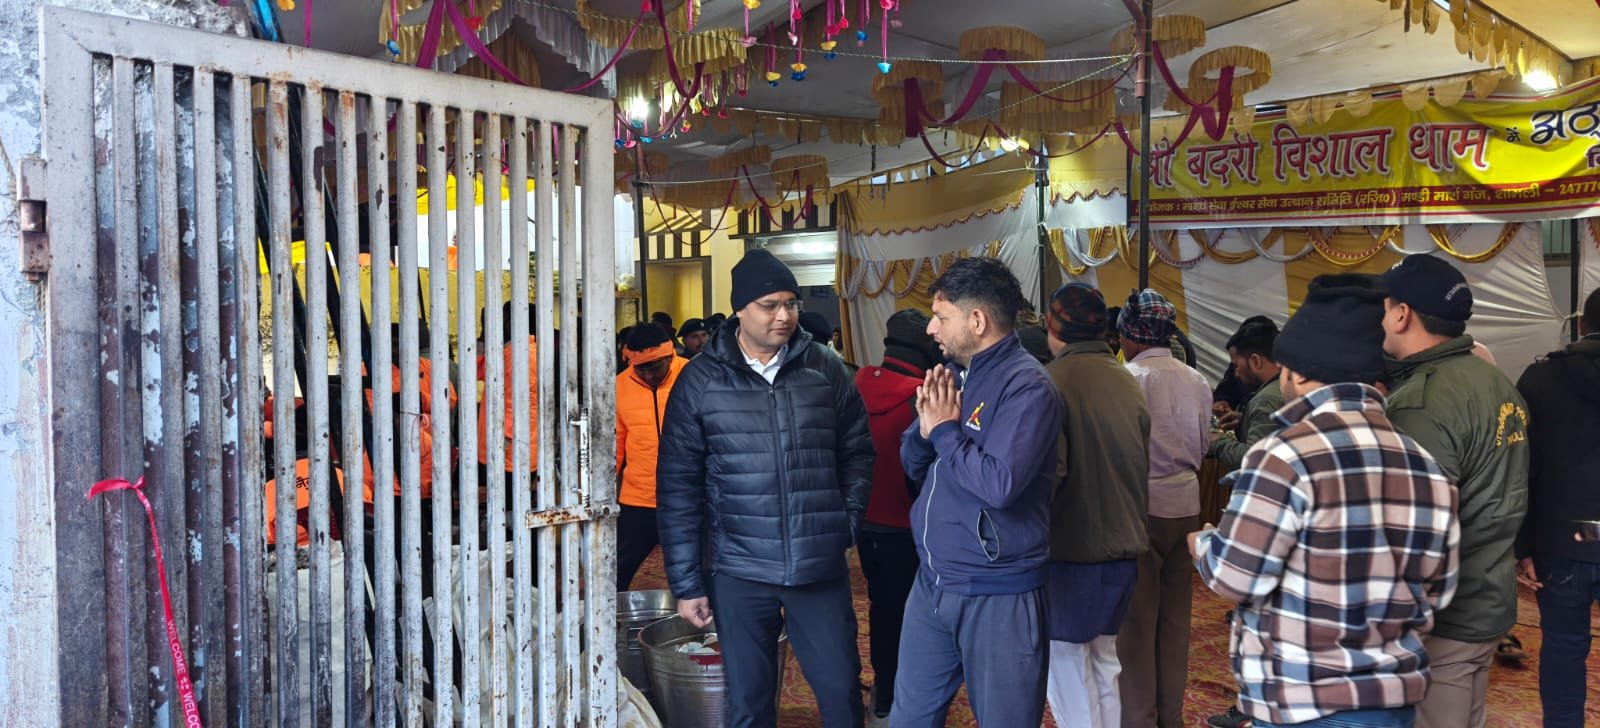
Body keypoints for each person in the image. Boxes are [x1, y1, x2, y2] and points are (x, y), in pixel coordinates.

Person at [1190, 273, 1460, 728]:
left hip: (1304, 704)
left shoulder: (1282, 457)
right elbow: (1438, 592)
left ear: (1297, 373)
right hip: (1390, 706)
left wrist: (1203, 545)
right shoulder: (1425, 466)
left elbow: (1235, 576)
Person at [656, 248, 873, 728]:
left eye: (791, 304)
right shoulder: (700, 380)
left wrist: (845, 523)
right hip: (739, 568)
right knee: (749, 702)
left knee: (841, 692)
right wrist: (687, 583)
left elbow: (858, 451)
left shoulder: (824, 367)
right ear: (740, 309)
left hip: (817, 564)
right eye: (770, 305)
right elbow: (678, 487)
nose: (784, 316)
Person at [894, 257, 1062, 728]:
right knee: (909, 718)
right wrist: (925, 428)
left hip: (997, 591)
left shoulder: (1027, 386)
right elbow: (912, 464)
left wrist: (945, 431)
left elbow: (999, 484)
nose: (931, 328)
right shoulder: (954, 375)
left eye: (940, 316)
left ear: (977, 320)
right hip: (933, 581)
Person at [1379, 255, 1529, 728]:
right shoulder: (1494, 380)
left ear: (1401, 315)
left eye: (1385, 308)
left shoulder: (1422, 403)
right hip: (1489, 594)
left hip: (1446, 615)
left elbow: (1418, 532)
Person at [1041, 283, 1151, 728]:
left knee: (1068, 666)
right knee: (1105, 660)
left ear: (1052, 327)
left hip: (1074, 550)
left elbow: (1051, 475)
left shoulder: (1053, 381)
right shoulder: (1126, 380)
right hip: (1124, 546)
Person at [1115, 289, 1212, 728]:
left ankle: (1140, 719)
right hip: (1187, 505)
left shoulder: (1129, 378)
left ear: (1132, 335)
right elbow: (1204, 444)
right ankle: (1170, 718)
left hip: (1143, 505)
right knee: (1175, 622)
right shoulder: (1196, 380)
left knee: (1138, 626)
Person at [1514, 287, 1600, 727]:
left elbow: (1521, 469)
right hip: (1563, 540)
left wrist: (1523, 544)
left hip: (1561, 541)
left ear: (1581, 325)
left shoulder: (1539, 378)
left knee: (1564, 648)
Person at [852, 309, 940, 725]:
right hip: (908, 528)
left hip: (864, 522)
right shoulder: (924, 396)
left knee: (881, 607)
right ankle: (905, 696)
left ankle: (884, 691)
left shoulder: (857, 383)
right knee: (914, 617)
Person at [615, 324, 688, 591]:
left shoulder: (693, 375)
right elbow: (615, 444)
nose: (648, 375)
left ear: (670, 356)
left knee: (696, 566)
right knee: (619, 568)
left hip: (688, 494)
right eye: (640, 369)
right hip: (639, 496)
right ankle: (610, 613)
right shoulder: (620, 385)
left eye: (655, 368)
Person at [1207, 319, 1286, 472]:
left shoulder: (1267, 399)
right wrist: (1245, 420)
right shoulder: (1289, 385)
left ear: (1255, 361)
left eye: (1236, 365)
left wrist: (1217, 442)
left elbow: (1255, 460)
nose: (1236, 373)